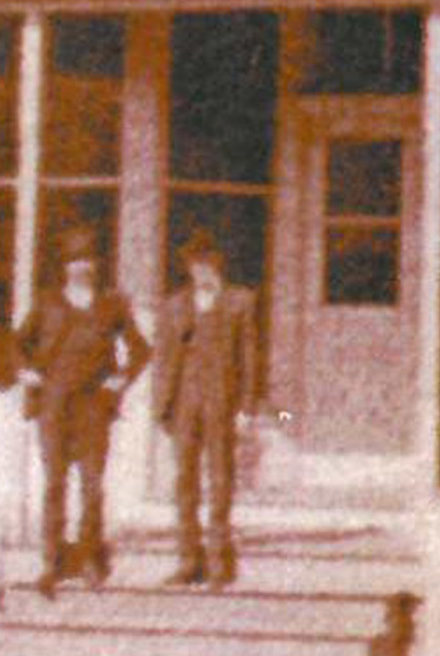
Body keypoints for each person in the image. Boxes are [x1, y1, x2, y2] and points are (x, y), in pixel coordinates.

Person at [17, 225, 151, 597]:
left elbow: (141, 349)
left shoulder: (111, 304)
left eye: (87, 261)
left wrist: (119, 380)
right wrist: (27, 371)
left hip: (93, 407)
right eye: (75, 261)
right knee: (55, 485)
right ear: (65, 267)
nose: (81, 268)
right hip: (54, 406)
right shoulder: (48, 303)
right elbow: (18, 343)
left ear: (97, 265)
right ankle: (53, 562)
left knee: (92, 487)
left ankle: (91, 560)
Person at [152, 230, 259, 588]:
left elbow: (249, 357)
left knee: (220, 480)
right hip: (184, 402)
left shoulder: (239, 302)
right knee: (184, 480)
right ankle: (187, 560)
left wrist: (246, 407)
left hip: (222, 403)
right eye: (195, 264)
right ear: (188, 267)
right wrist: (161, 407)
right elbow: (164, 358)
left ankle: (218, 562)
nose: (202, 271)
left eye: (208, 263)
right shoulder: (175, 305)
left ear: (219, 264)